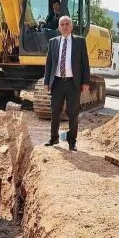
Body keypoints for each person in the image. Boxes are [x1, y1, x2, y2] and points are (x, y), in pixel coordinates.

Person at [43, 15, 90, 152]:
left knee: (72, 113)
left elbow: (85, 63)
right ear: (58, 27)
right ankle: (53, 138)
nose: (64, 26)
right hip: (57, 82)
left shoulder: (80, 42)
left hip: (73, 83)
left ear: (71, 26)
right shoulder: (53, 42)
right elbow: (49, 64)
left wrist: (85, 82)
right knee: (55, 111)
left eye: (67, 24)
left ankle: (72, 141)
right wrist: (47, 82)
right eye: (62, 24)